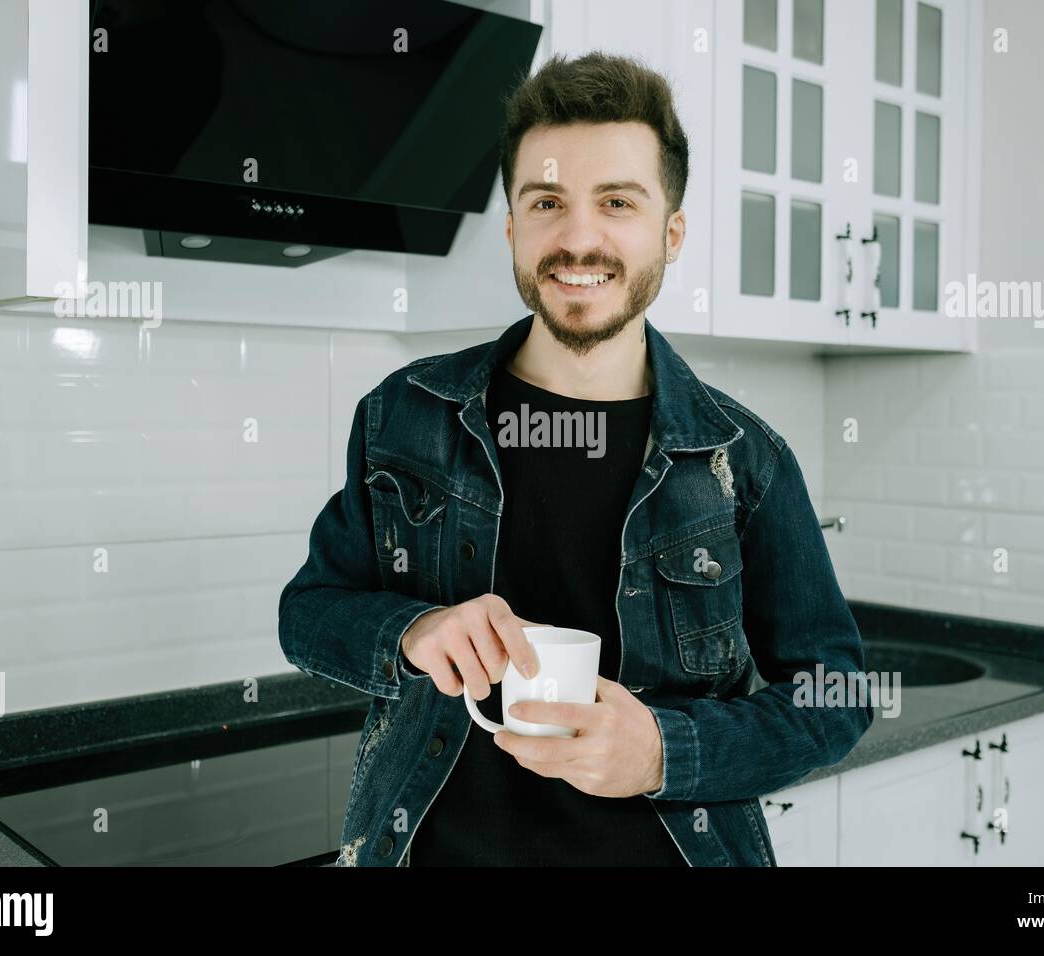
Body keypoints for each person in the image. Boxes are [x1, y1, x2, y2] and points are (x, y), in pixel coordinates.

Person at [278, 52, 872, 867]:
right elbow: (307, 612)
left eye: (616, 202)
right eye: (548, 202)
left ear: (671, 232)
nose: (578, 238)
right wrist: (415, 630)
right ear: (515, 228)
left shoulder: (746, 462)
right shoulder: (401, 418)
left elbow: (835, 697)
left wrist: (664, 749)